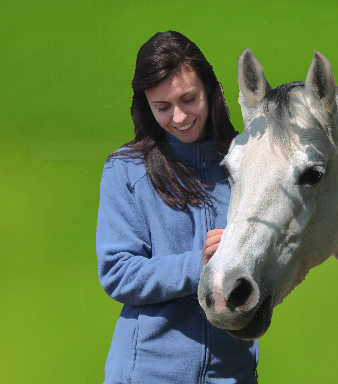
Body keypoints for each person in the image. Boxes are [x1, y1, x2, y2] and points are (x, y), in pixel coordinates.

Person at [96, 31, 259, 383]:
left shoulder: (245, 164)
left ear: (210, 90)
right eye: (162, 107)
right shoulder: (126, 170)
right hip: (147, 373)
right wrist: (197, 265)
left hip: (232, 372)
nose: (180, 117)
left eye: (189, 99)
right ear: (145, 106)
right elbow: (117, 272)